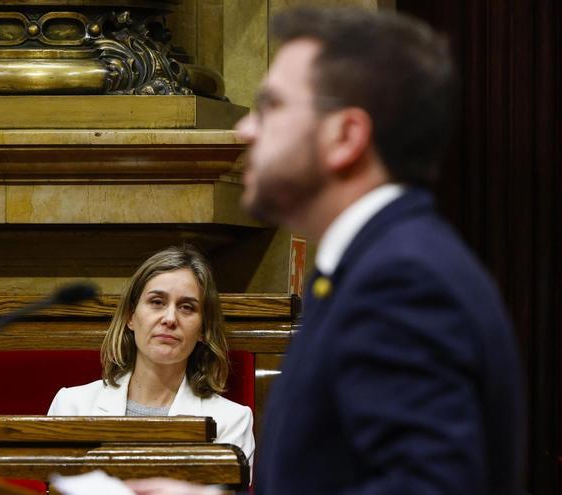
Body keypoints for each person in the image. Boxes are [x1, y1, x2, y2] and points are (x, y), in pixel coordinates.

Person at [126, 7, 522, 495]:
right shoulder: (369, 266)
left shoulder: (402, 280)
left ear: (345, 137)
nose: (247, 130)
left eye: (272, 107)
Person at [48, 246, 255, 465]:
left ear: (203, 329)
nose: (170, 319)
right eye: (157, 302)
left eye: (186, 307)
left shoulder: (231, 421)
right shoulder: (72, 406)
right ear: (130, 316)